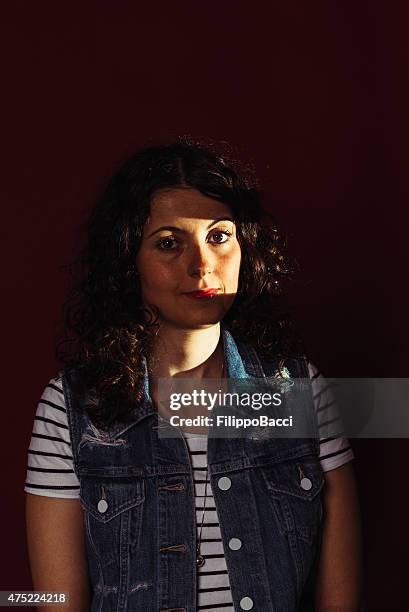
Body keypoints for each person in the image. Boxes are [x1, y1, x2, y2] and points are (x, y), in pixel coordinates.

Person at [25, 139, 362, 612]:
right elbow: (55, 602)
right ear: (128, 261)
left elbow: (342, 600)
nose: (202, 266)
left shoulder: (301, 391)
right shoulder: (70, 408)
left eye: (219, 236)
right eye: (168, 243)